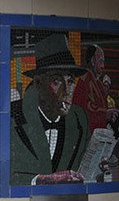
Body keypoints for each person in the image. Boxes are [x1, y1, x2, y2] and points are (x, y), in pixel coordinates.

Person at [10, 33, 89, 185]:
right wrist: (41, 180)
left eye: (71, 81)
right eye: (57, 81)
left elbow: (82, 168)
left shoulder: (79, 119)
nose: (66, 91)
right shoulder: (12, 116)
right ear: (39, 84)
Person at [72, 44, 110, 132]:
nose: (102, 66)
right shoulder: (85, 78)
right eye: (100, 62)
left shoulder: (97, 82)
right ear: (93, 61)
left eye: (103, 62)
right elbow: (85, 106)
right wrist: (105, 113)